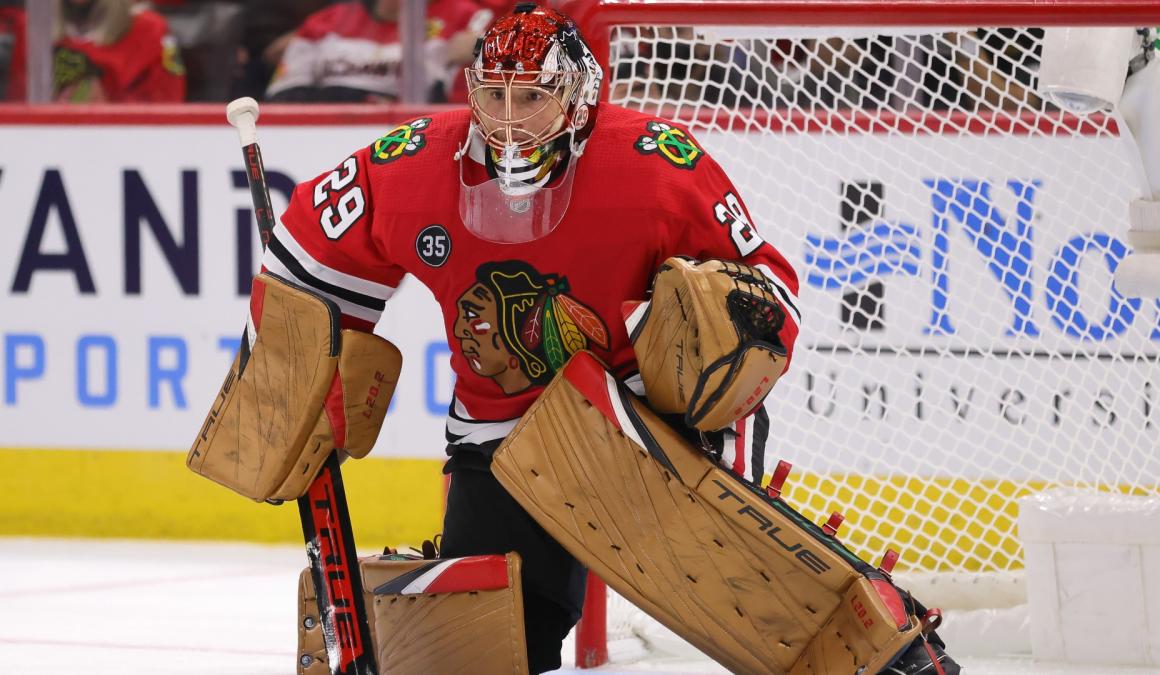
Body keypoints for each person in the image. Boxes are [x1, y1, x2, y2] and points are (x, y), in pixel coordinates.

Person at [258, 4, 957, 672]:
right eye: (491, 96)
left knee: (756, 599)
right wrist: (298, 365)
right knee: (484, 647)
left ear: (576, 101)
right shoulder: (415, 165)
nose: (505, 120)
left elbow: (767, 288)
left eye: (529, 96)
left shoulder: (656, 166)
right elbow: (300, 256)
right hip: (503, 435)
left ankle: (896, 653)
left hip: (646, 422)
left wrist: (727, 351)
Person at [265, 0, 491, 103]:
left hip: (413, 138)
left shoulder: (469, 19)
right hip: (324, 138)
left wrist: (479, 53)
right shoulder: (327, 21)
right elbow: (284, 98)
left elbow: (468, 105)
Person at [52, 0, 185, 103]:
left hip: (126, 133)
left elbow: (167, 108)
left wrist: (110, 109)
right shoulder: (35, 30)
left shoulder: (150, 30)